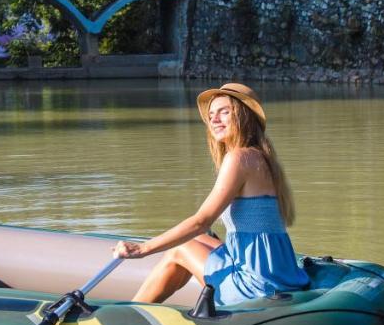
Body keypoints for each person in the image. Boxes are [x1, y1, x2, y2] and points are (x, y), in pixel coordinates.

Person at [114, 82, 310, 305]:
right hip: (279, 273)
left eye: (224, 112)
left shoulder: (239, 158)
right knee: (197, 239)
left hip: (257, 284)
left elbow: (201, 220)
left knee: (180, 249)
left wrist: (143, 248)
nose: (214, 120)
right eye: (211, 115)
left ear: (243, 116)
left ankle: (133, 312)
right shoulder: (261, 157)